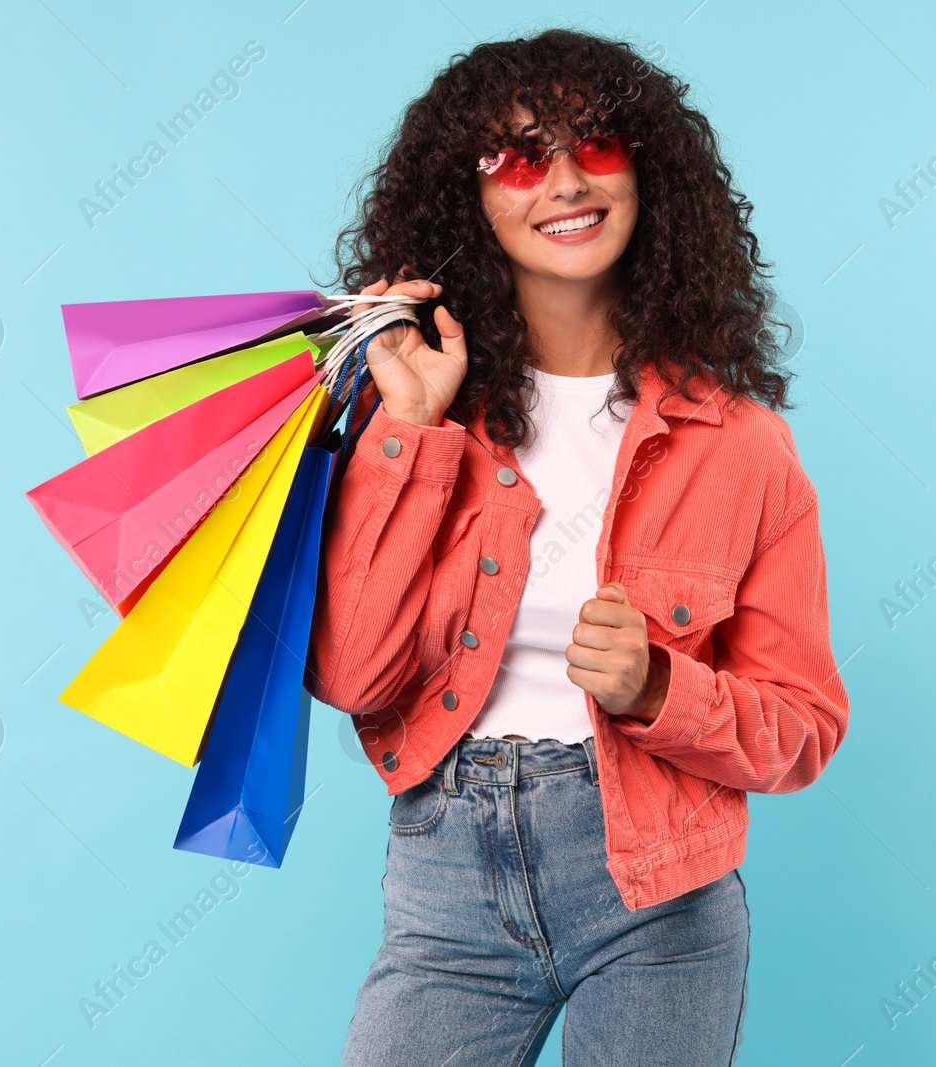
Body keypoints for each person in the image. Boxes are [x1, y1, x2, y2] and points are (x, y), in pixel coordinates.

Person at [306, 26, 849, 1067]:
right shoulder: (419, 414)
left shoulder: (740, 445)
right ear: (469, 197)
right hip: (448, 874)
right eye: (516, 155)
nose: (561, 180)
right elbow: (351, 670)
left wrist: (659, 690)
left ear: (645, 170)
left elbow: (804, 726)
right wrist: (412, 429)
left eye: (593, 143)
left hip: (660, 887)